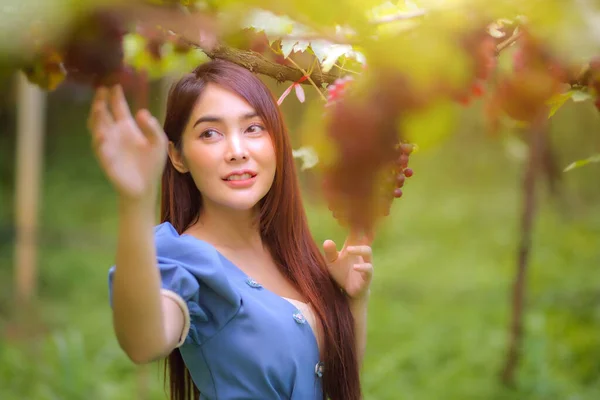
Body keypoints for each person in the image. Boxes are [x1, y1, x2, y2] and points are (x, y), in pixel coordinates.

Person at [87, 59, 373, 400]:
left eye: (253, 128)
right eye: (210, 133)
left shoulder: (290, 252)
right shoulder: (185, 263)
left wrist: (351, 301)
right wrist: (135, 200)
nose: (237, 152)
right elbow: (143, 343)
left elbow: (336, 380)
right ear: (177, 156)